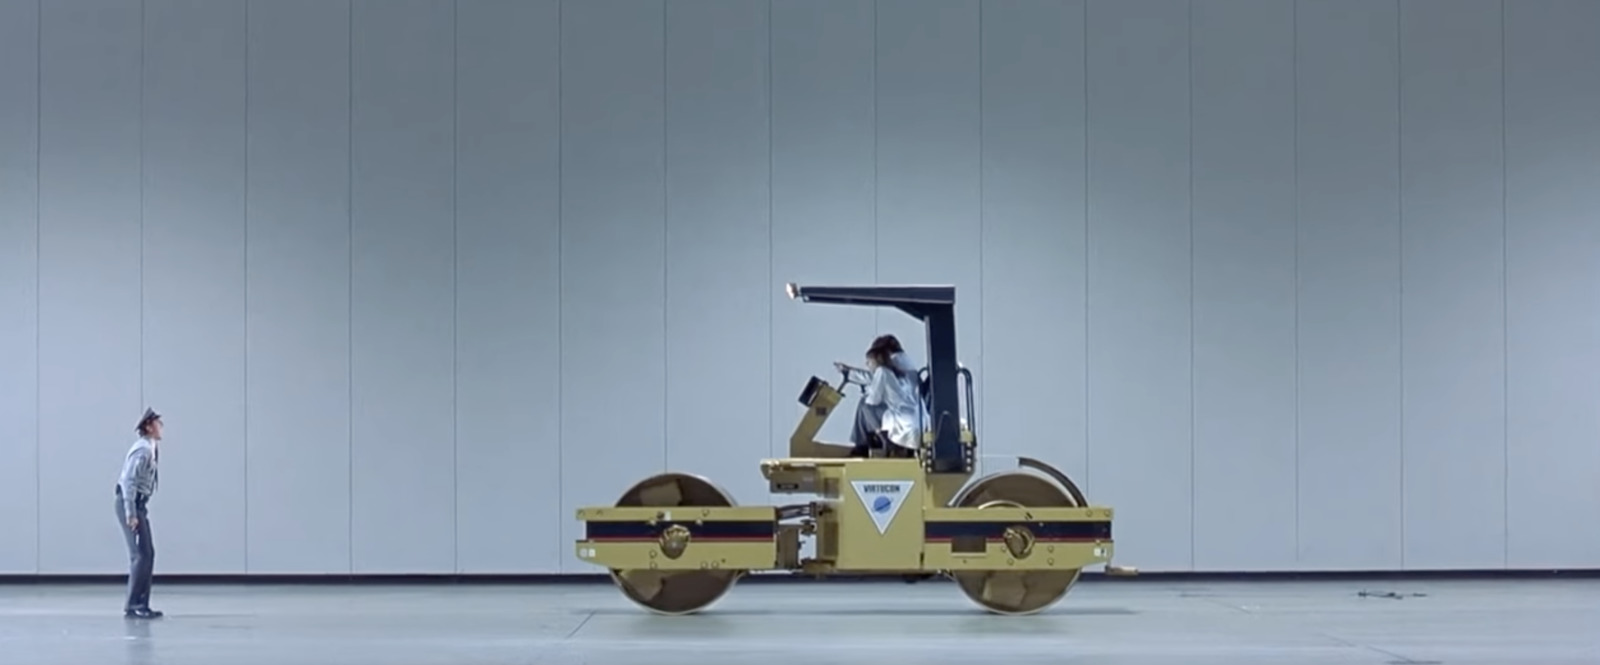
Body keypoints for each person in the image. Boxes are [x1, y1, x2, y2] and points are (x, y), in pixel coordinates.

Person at [834, 334, 927, 458]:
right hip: (914, 414)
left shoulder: (894, 362)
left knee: (865, 405)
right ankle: (866, 443)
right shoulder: (906, 362)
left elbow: (875, 379)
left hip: (903, 415)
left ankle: (864, 445)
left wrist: (849, 373)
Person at [115, 408, 163, 619]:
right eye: (158, 424)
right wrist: (130, 513)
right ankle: (134, 605)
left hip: (139, 504)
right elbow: (128, 481)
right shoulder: (142, 450)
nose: (161, 428)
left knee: (147, 553)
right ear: (148, 427)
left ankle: (141, 603)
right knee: (140, 555)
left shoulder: (150, 448)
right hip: (131, 504)